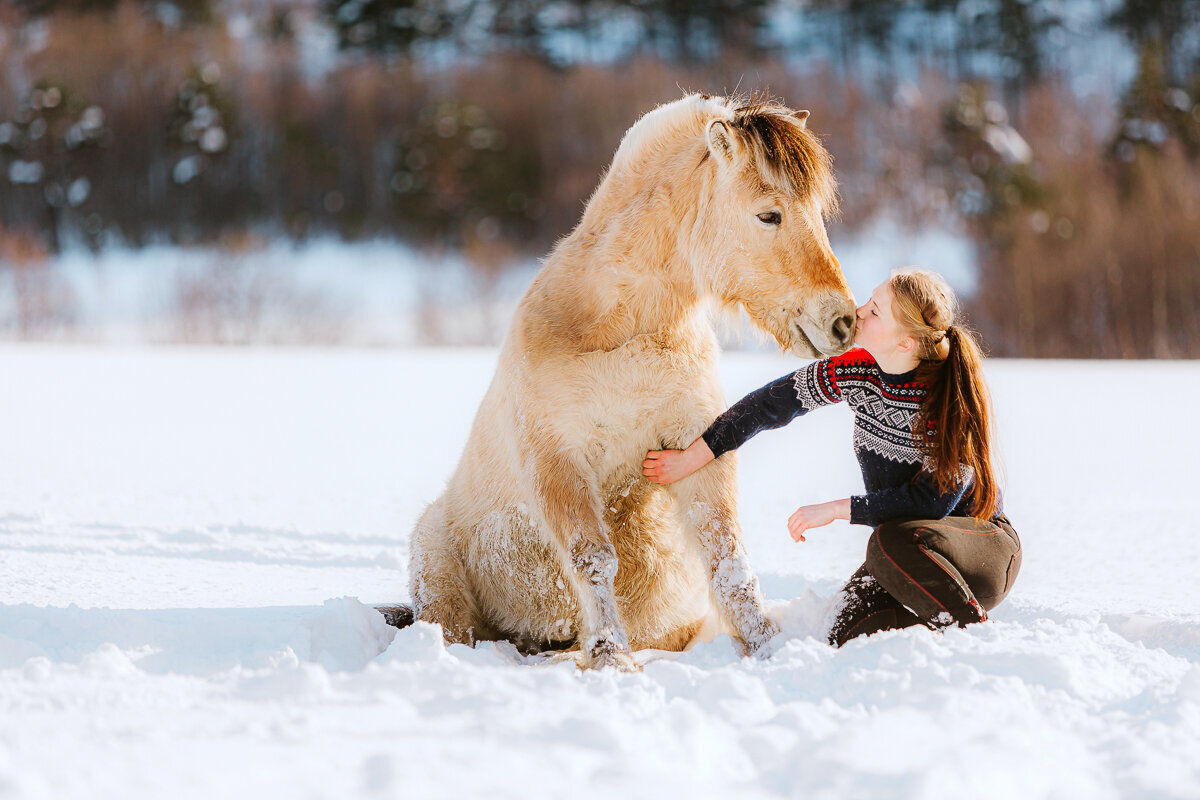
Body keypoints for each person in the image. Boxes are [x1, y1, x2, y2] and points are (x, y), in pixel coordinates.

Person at [642, 269, 1021, 647]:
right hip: (906, 557)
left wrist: (839, 509)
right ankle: (929, 641)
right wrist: (695, 455)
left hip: (981, 556)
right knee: (842, 632)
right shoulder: (857, 370)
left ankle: (976, 638)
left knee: (888, 541)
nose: (859, 312)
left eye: (875, 311)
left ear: (905, 344)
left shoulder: (946, 402)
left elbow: (929, 503)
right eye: (868, 301)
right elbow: (771, 404)